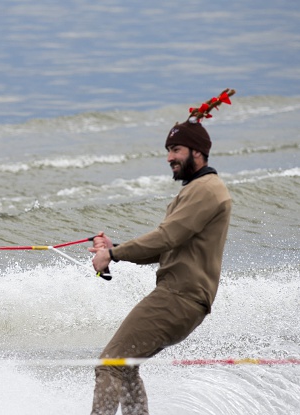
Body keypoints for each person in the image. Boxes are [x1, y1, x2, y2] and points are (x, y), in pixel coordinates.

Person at [88, 91, 234, 414]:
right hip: (180, 298)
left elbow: (166, 237)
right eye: (168, 150)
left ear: (198, 151)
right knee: (123, 366)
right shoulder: (196, 190)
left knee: (110, 363)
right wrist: (116, 248)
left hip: (180, 298)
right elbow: (168, 246)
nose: (169, 157)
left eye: (176, 150)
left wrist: (112, 256)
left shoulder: (208, 190)